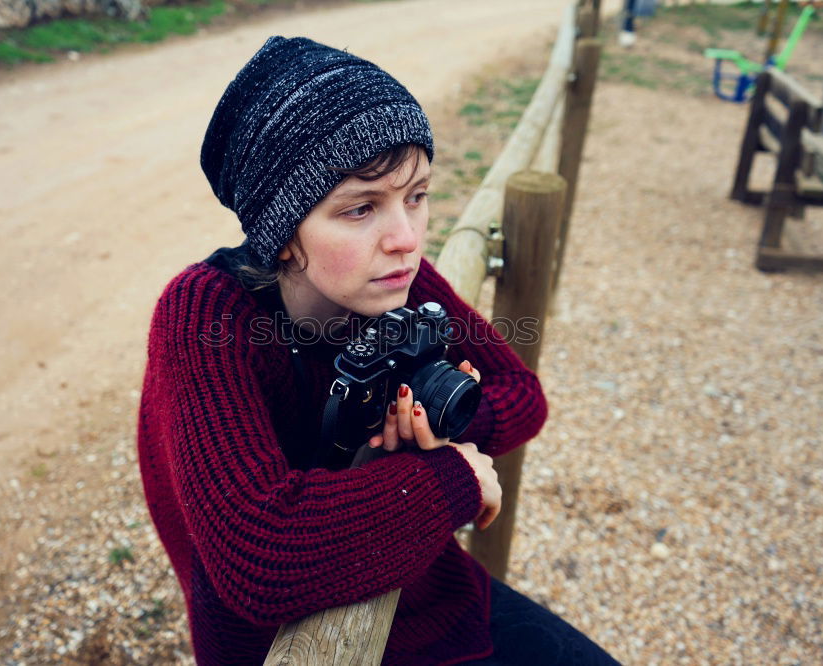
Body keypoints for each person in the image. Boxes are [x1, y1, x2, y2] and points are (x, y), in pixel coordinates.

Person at [137, 36, 619, 665]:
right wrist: (457, 477)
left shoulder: (393, 278)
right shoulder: (205, 317)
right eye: (360, 208)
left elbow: (522, 394)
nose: (405, 238)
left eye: (416, 196)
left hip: (413, 582)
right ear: (282, 234)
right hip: (279, 642)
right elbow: (261, 557)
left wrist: (433, 421)